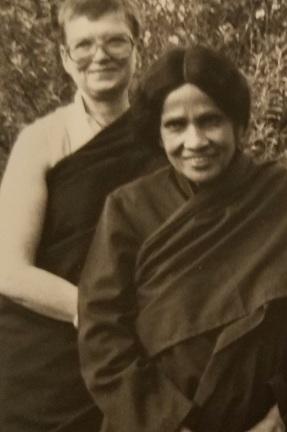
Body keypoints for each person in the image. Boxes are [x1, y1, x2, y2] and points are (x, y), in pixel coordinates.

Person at [77, 46, 287, 432]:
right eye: (176, 125)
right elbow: (102, 339)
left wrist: (280, 414)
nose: (195, 141)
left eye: (210, 120)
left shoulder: (284, 196)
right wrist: (169, 424)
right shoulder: (127, 209)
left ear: (238, 125)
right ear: (157, 133)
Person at [0, 1, 163, 430]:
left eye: (115, 41)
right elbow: (9, 270)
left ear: (137, 48)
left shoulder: (164, 139)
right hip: (42, 360)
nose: (100, 55)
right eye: (84, 45)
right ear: (65, 58)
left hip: (132, 355)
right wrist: (100, 315)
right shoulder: (40, 141)